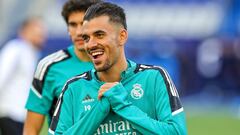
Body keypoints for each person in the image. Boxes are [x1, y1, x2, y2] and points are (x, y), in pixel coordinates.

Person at [49, 2, 187, 135]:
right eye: (86, 38)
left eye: (99, 35)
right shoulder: (74, 88)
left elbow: (177, 132)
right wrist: (99, 110)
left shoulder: (154, 77)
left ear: (122, 37)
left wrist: (122, 105)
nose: (90, 45)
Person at [23, 0, 101, 134]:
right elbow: (31, 129)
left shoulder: (114, 64)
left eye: (83, 24)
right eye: (72, 25)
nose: (78, 32)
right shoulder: (49, 66)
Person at [0, 17, 47, 135]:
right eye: (37, 31)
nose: (41, 35)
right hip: (10, 112)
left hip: (23, 115)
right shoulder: (15, 48)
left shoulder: (32, 53)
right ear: (24, 32)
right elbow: (2, 76)